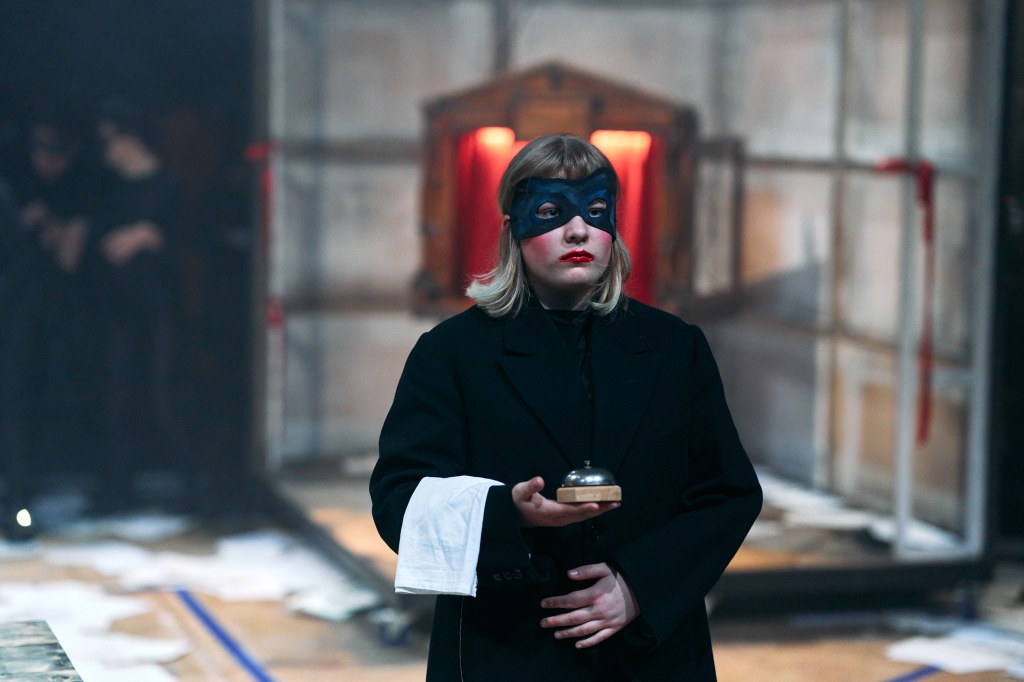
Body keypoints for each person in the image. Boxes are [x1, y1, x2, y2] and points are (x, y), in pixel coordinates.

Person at [369, 134, 763, 680]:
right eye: (552, 212)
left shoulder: (675, 347)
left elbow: (728, 494)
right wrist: (507, 513)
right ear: (513, 229)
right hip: (509, 651)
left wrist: (638, 586)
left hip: (649, 653)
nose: (578, 230)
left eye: (596, 210)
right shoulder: (453, 354)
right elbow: (399, 499)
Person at [85, 98, 191, 513]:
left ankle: (189, 484)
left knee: (164, 392)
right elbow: (96, 245)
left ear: (129, 138)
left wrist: (149, 235)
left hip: (159, 306)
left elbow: (187, 245)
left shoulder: (168, 184)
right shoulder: (110, 189)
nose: (105, 150)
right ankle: (117, 487)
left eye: (110, 140)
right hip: (118, 306)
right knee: (116, 394)